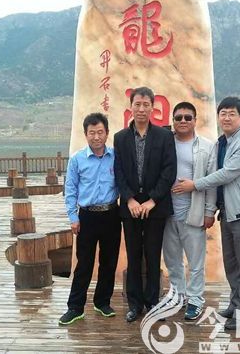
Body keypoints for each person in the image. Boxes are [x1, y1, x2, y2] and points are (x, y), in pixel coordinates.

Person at [172, 96, 240, 331]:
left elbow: (226, 174)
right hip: (229, 213)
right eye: (223, 113)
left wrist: (194, 185)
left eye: (232, 114)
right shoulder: (222, 142)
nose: (227, 118)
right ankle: (235, 305)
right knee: (232, 264)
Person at [114, 86, 177, 323]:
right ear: (131, 107)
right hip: (129, 207)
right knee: (133, 256)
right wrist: (129, 199)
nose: (141, 109)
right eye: (137, 104)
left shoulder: (164, 136)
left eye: (146, 105)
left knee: (152, 255)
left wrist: (152, 200)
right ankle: (134, 304)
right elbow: (118, 172)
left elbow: (169, 171)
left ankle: (152, 302)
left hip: (156, 207)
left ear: (152, 107)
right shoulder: (120, 138)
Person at [59, 112, 121, 325]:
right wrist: (73, 217)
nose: (96, 137)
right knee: (84, 263)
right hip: (87, 216)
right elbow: (70, 190)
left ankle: (102, 302)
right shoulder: (77, 159)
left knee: (109, 262)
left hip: (111, 214)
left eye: (100, 132)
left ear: (107, 133)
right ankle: (75, 307)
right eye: (92, 133)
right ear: (85, 134)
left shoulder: (116, 156)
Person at [163, 101, 216, 321]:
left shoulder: (207, 146)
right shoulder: (165, 143)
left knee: (196, 261)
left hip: (193, 211)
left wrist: (209, 211)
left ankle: (195, 299)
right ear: (173, 121)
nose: (183, 121)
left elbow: (212, 181)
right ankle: (179, 295)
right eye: (178, 118)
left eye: (187, 117)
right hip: (167, 212)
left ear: (195, 120)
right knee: (172, 260)